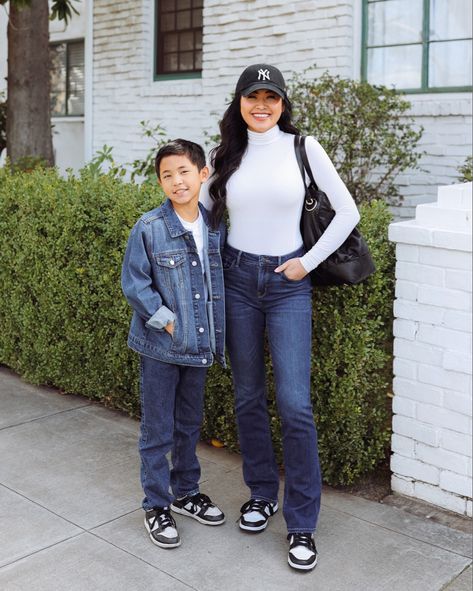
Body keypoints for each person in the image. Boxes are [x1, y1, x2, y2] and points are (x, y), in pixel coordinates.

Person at [200, 64, 360, 571]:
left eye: (272, 96)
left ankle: (302, 524)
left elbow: (348, 212)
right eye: (253, 96)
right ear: (239, 101)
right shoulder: (225, 154)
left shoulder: (305, 148)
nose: (262, 104)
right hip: (237, 280)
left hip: (289, 284)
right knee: (247, 395)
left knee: (294, 404)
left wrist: (306, 265)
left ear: (283, 103)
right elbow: (198, 209)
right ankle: (262, 493)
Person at [121, 139, 227, 549]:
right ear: (161, 182)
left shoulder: (215, 225)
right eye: (167, 175)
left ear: (202, 174)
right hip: (161, 348)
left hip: (200, 347)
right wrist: (166, 322)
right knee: (157, 429)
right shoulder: (150, 227)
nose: (177, 181)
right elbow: (135, 282)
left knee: (188, 425)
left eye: (184, 172)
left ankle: (186, 492)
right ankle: (156, 504)